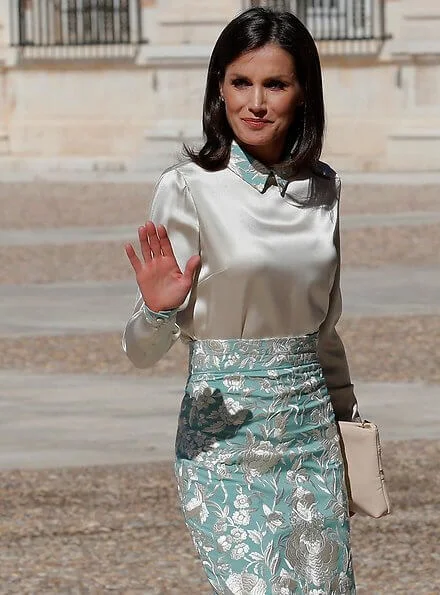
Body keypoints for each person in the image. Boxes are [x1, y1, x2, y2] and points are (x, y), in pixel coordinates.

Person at [122, 7, 361, 594]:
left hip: (311, 435)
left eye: (275, 84)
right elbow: (140, 351)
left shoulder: (324, 190)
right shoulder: (187, 188)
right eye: (240, 83)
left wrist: (349, 419)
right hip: (222, 437)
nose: (255, 102)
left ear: (303, 94)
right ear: (219, 90)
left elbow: (325, 329)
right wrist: (157, 309)